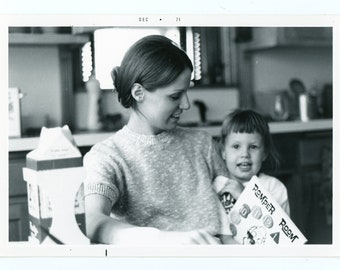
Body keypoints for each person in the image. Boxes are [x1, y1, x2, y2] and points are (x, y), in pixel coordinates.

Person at [83, 35, 234, 245]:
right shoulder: (108, 156)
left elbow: (235, 207)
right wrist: (162, 239)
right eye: (175, 96)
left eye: (186, 92)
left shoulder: (202, 144)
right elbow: (91, 221)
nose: (186, 104)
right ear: (138, 93)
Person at [213, 109, 290, 216]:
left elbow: (279, 230)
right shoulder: (215, 186)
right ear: (223, 152)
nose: (245, 154)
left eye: (253, 147)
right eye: (236, 146)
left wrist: (243, 197)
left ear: (264, 153)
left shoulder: (273, 188)